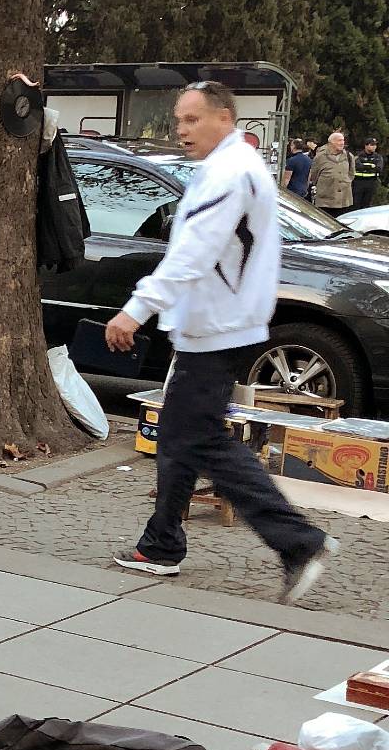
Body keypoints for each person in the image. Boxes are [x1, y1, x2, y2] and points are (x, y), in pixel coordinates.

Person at [105, 82, 334, 603]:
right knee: (182, 435)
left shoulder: (230, 173)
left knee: (198, 437)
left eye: (192, 119)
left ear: (225, 117)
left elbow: (194, 252)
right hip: (216, 321)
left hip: (216, 326)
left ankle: (299, 541)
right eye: (178, 120)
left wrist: (137, 308)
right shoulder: (232, 167)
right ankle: (162, 542)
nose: (182, 130)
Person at [309, 131, 354, 215]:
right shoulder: (320, 156)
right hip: (325, 201)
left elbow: (351, 174)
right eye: (339, 140)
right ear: (331, 142)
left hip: (343, 201)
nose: (342, 143)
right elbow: (314, 175)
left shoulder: (348, 156)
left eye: (343, 140)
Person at [353, 138, 383, 209]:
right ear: (366, 146)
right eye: (372, 145)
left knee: (367, 205)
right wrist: (371, 166)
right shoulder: (358, 156)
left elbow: (379, 169)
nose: (374, 147)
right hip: (358, 182)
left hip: (371, 182)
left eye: (375, 145)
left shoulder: (378, 157)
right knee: (356, 204)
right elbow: (357, 166)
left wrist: (365, 166)